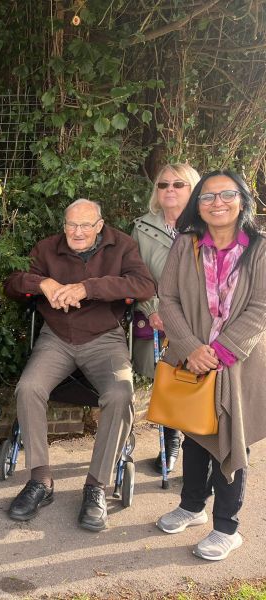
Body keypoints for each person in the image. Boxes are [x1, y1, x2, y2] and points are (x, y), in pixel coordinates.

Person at [3, 199, 155, 531]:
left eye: (86, 225)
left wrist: (88, 288)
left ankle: (96, 486)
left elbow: (144, 286)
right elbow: (13, 283)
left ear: (100, 225)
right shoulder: (47, 249)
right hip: (56, 336)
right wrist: (44, 284)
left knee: (120, 394)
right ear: (63, 225)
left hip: (105, 337)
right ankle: (41, 481)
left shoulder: (122, 246)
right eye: (71, 225)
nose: (78, 232)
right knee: (29, 388)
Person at [155, 171, 266, 561]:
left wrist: (219, 351)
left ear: (242, 200)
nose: (217, 203)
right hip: (192, 357)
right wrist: (190, 347)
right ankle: (192, 505)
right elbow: (166, 299)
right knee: (195, 431)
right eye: (207, 196)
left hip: (238, 362)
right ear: (196, 206)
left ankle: (227, 527)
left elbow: (261, 308)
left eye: (227, 194)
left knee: (230, 438)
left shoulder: (260, 248)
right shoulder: (185, 245)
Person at [131, 163, 200, 473]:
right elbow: (134, 274)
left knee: (201, 381)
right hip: (158, 317)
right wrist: (154, 309)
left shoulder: (209, 225)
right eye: (163, 185)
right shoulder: (142, 228)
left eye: (178, 184)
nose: (169, 189)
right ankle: (171, 442)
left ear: (193, 189)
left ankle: (200, 454)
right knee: (168, 379)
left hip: (200, 319)